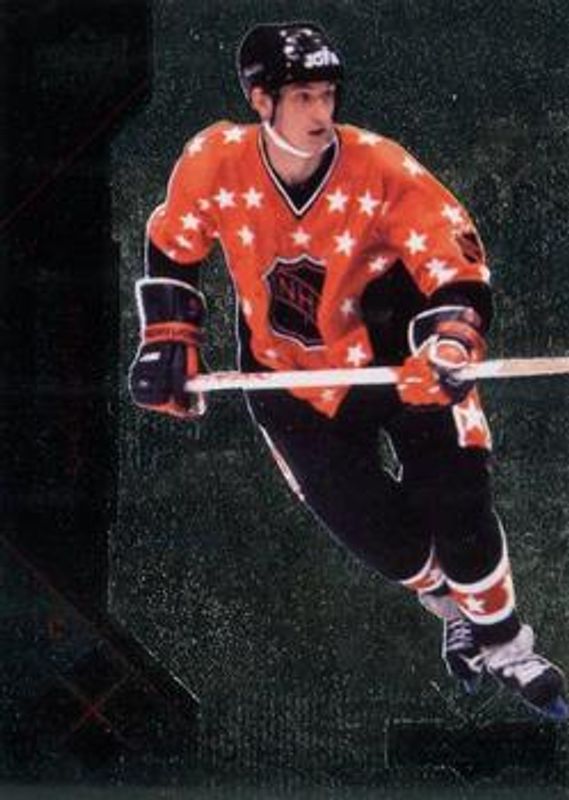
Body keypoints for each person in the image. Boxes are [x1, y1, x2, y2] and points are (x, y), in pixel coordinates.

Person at [129, 21, 567, 720]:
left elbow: (452, 262)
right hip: (291, 379)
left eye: (327, 95)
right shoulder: (213, 160)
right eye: (303, 96)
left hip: (403, 362)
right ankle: (456, 613)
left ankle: (507, 645)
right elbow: (172, 242)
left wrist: (449, 345)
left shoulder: (381, 166)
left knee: (456, 500)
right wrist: (168, 339)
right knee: (381, 538)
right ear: (260, 100)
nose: (321, 112)